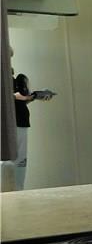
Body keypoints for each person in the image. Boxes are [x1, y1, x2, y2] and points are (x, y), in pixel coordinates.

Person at [7, 48, 54, 191]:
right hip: (7, 124)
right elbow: (11, 96)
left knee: (20, 161)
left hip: (20, 122)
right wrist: (28, 97)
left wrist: (36, 97)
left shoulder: (14, 78)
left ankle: (18, 192)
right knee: (6, 161)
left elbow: (18, 100)